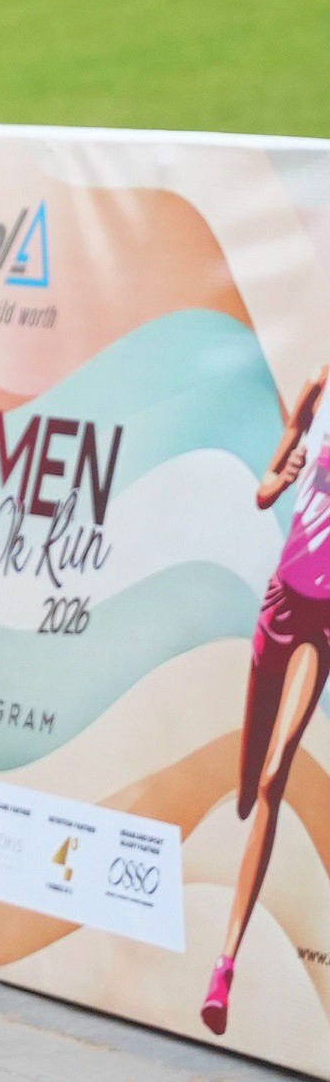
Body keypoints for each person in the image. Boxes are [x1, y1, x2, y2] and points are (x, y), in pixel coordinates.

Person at [203, 357, 330, 1038]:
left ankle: (224, 966)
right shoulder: (321, 384)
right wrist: (279, 477)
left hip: (324, 626)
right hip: (282, 603)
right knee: (247, 787)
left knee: (274, 777)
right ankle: (248, 795)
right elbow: (263, 489)